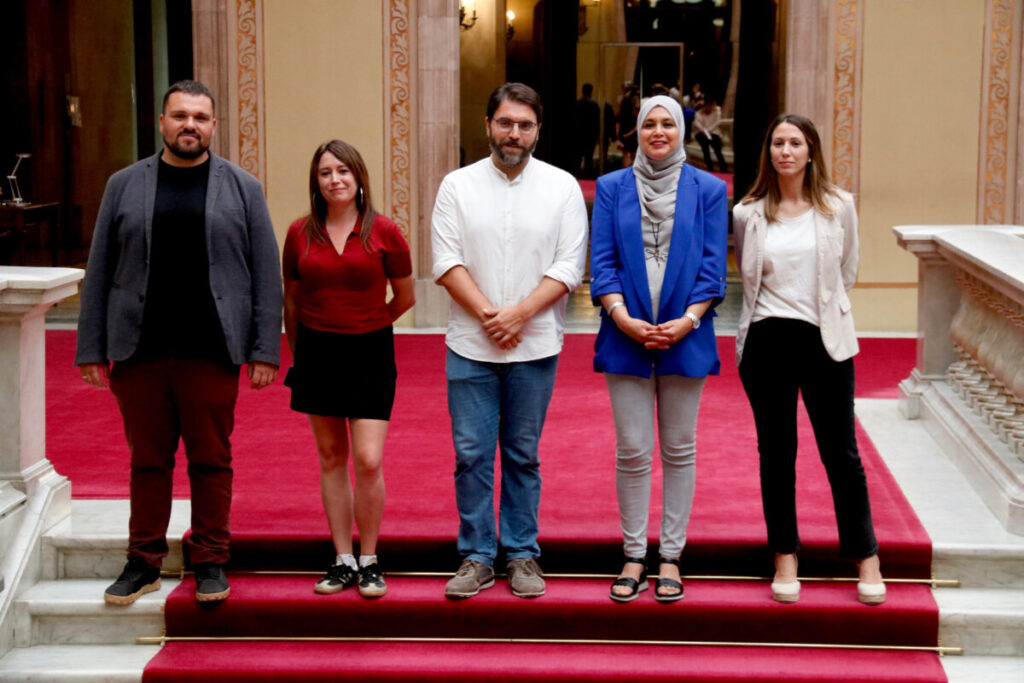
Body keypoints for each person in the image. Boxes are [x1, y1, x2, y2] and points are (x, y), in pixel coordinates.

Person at [75, 80, 282, 605]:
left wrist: (263, 349)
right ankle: (142, 561)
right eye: (180, 115)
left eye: (201, 117)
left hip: (212, 350)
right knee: (148, 460)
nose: (190, 125)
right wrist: (90, 344)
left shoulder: (242, 187)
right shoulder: (124, 184)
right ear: (162, 122)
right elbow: (99, 268)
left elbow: (265, 274)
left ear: (213, 126)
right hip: (139, 350)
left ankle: (210, 560)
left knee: (211, 459)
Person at [431, 82, 588, 599]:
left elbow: (569, 264)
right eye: (505, 123)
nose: (514, 133)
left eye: (524, 125)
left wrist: (519, 314)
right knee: (471, 453)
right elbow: (446, 261)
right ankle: (476, 555)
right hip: (469, 346)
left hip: (536, 344)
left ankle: (521, 553)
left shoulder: (563, 187)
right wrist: (489, 316)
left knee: (522, 453)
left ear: (538, 130)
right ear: (488, 126)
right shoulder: (456, 185)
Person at [732, 114, 886, 606]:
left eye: (795, 142)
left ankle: (866, 556)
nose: (785, 151)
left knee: (841, 453)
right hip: (766, 342)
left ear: (810, 151)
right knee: (776, 455)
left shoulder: (839, 207)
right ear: (769, 153)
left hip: (825, 341)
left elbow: (849, 269)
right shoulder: (748, 212)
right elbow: (748, 279)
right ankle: (785, 556)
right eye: (777, 142)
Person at [590, 95, 728, 603]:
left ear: (681, 130)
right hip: (624, 335)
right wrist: (621, 317)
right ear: (637, 130)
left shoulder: (709, 190)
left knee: (679, 449)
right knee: (632, 450)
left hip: (685, 336)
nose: (659, 131)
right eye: (650, 123)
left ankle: (670, 555)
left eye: (668, 122)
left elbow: (715, 269)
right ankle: (633, 553)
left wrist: (687, 321)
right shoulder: (611, 187)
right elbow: (601, 261)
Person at [282, 140, 414, 598]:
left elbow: (406, 297)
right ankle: (342, 558)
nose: (335, 179)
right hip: (317, 354)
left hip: (370, 353)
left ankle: (371, 557)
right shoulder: (300, 232)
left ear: (359, 178)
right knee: (333, 458)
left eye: (343, 171)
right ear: (315, 182)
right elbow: (292, 301)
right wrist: (301, 356)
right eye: (325, 172)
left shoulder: (384, 231)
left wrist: (371, 325)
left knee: (368, 459)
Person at [693, 97, 729, 173]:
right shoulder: (699, 113)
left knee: (717, 150)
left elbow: (717, 122)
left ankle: (723, 168)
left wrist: (709, 130)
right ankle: (710, 167)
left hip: (713, 132)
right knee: (705, 149)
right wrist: (705, 131)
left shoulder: (717, 110)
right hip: (702, 133)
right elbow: (698, 124)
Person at [574, 83, 600, 179]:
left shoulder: (577, 102)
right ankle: (587, 176)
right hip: (590, 135)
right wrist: (597, 136)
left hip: (579, 134)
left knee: (578, 157)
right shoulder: (594, 104)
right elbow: (596, 121)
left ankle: (577, 175)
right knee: (589, 157)